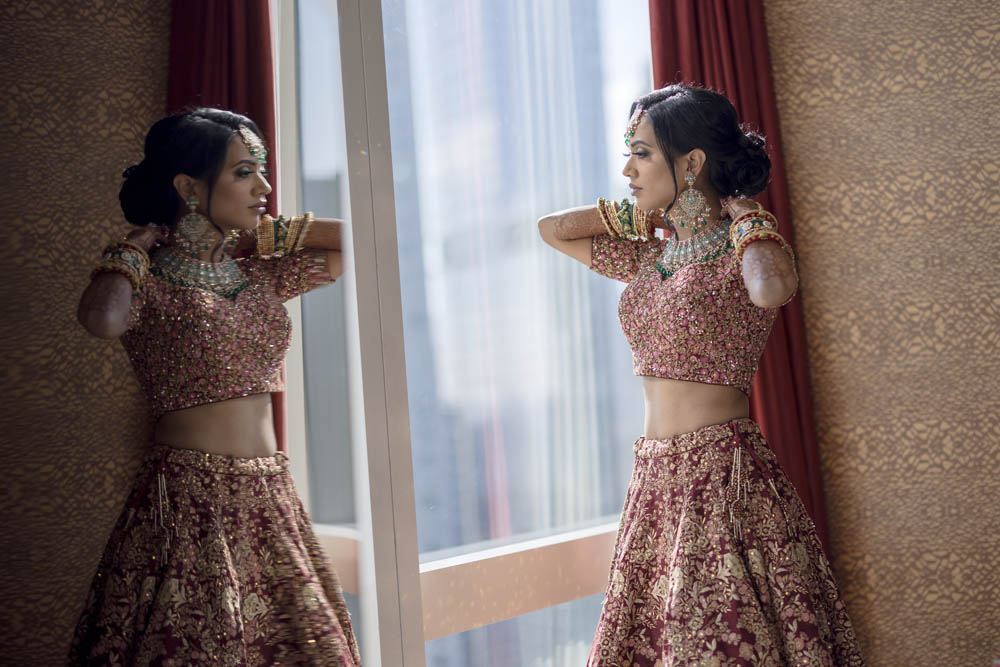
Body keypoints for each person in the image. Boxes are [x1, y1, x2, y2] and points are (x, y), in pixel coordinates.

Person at [538, 85, 863, 666]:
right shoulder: (648, 258)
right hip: (655, 478)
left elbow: (770, 290)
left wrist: (746, 217)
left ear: (691, 163)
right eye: (628, 152)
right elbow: (552, 229)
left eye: (642, 154)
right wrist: (638, 214)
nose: (627, 169)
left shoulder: (742, 251)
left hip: (723, 479)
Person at [70, 108, 361, 665]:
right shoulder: (146, 280)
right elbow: (103, 321)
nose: (265, 187)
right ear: (188, 187)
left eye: (262, 172)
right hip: (186, 499)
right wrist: (132, 250)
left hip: (268, 495)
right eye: (244, 173)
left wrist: (262, 237)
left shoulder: (257, 276)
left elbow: (360, 243)